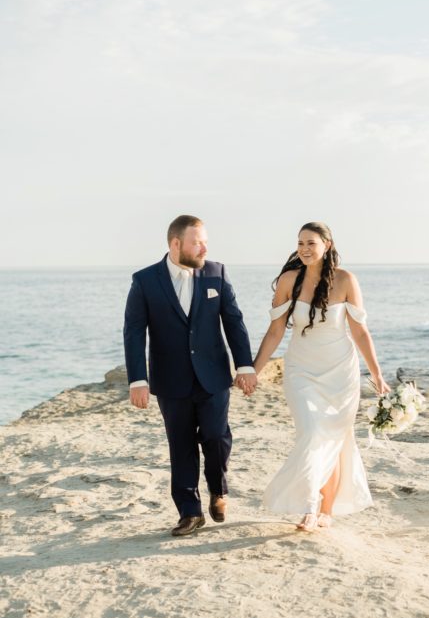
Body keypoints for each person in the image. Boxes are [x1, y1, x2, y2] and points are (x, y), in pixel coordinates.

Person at [123, 215, 257, 537]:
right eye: (197, 241)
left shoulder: (216, 273)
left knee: (216, 436)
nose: (204, 247)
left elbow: (234, 322)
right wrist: (138, 380)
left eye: (205, 241)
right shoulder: (145, 281)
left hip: (213, 376)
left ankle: (218, 490)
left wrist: (246, 366)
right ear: (176, 244)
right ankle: (189, 512)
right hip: (171, 381)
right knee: (180, 444)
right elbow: (133, 332)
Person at [253, 221, 390, 532]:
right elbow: (276, 331)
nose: (304, 248)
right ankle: (310, 505)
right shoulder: (289, 280)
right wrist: (253, 370)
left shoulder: (345, 280)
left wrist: (377, 375)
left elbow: (359, 331)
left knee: (335, 439)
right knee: (313, 433)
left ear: (327, 245)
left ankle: (323, 509)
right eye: (300, 242)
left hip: (341, 373)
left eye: (311, 243)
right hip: (301, 370)